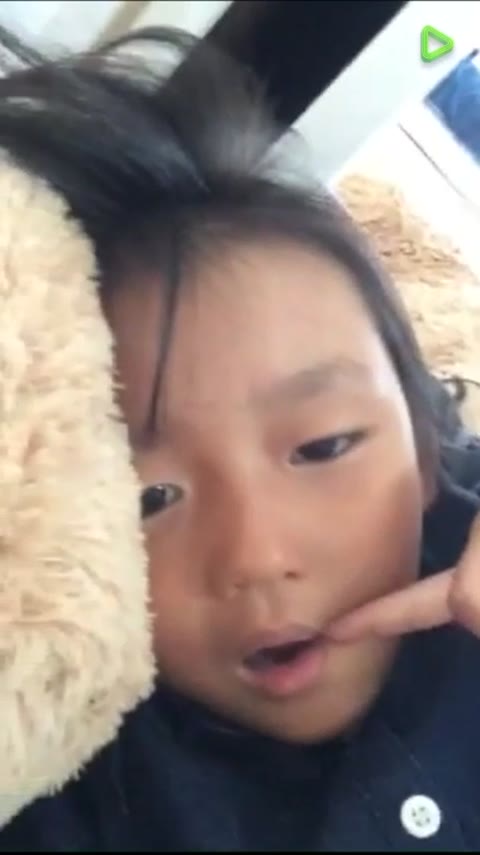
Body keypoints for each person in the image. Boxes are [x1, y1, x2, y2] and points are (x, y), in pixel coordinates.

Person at [1, 25, 480, 852]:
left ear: (423, 444)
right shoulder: (70, 777)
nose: (256, 555)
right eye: (149, 499)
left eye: (323, 446)